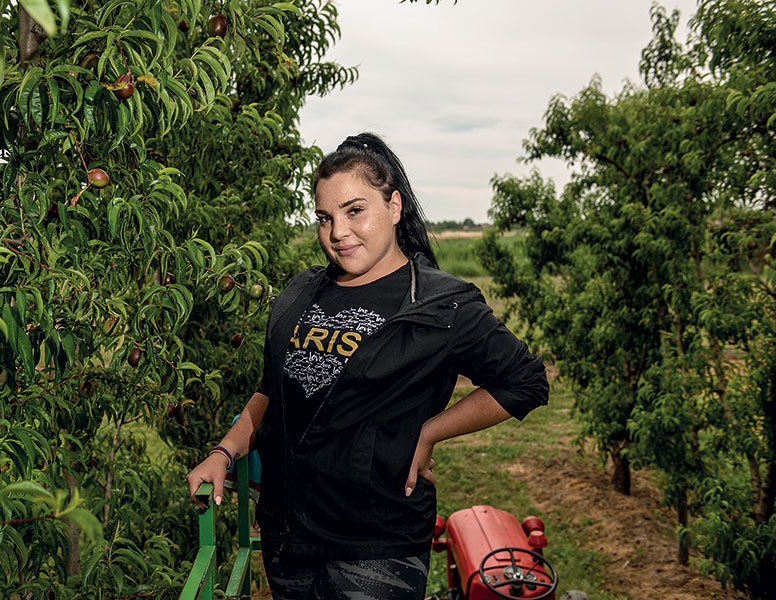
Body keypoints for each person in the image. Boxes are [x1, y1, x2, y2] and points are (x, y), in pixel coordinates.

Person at [186, 133, 549, 600]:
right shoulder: (302, 292)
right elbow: (272, 395)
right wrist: (224, 451)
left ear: (394, 206)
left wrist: (430, 431)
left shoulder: (440, 304)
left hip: (376, 548)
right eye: (324, 218)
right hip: (289, 542)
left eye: (355, 211)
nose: (337, 233)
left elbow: (524, 381)